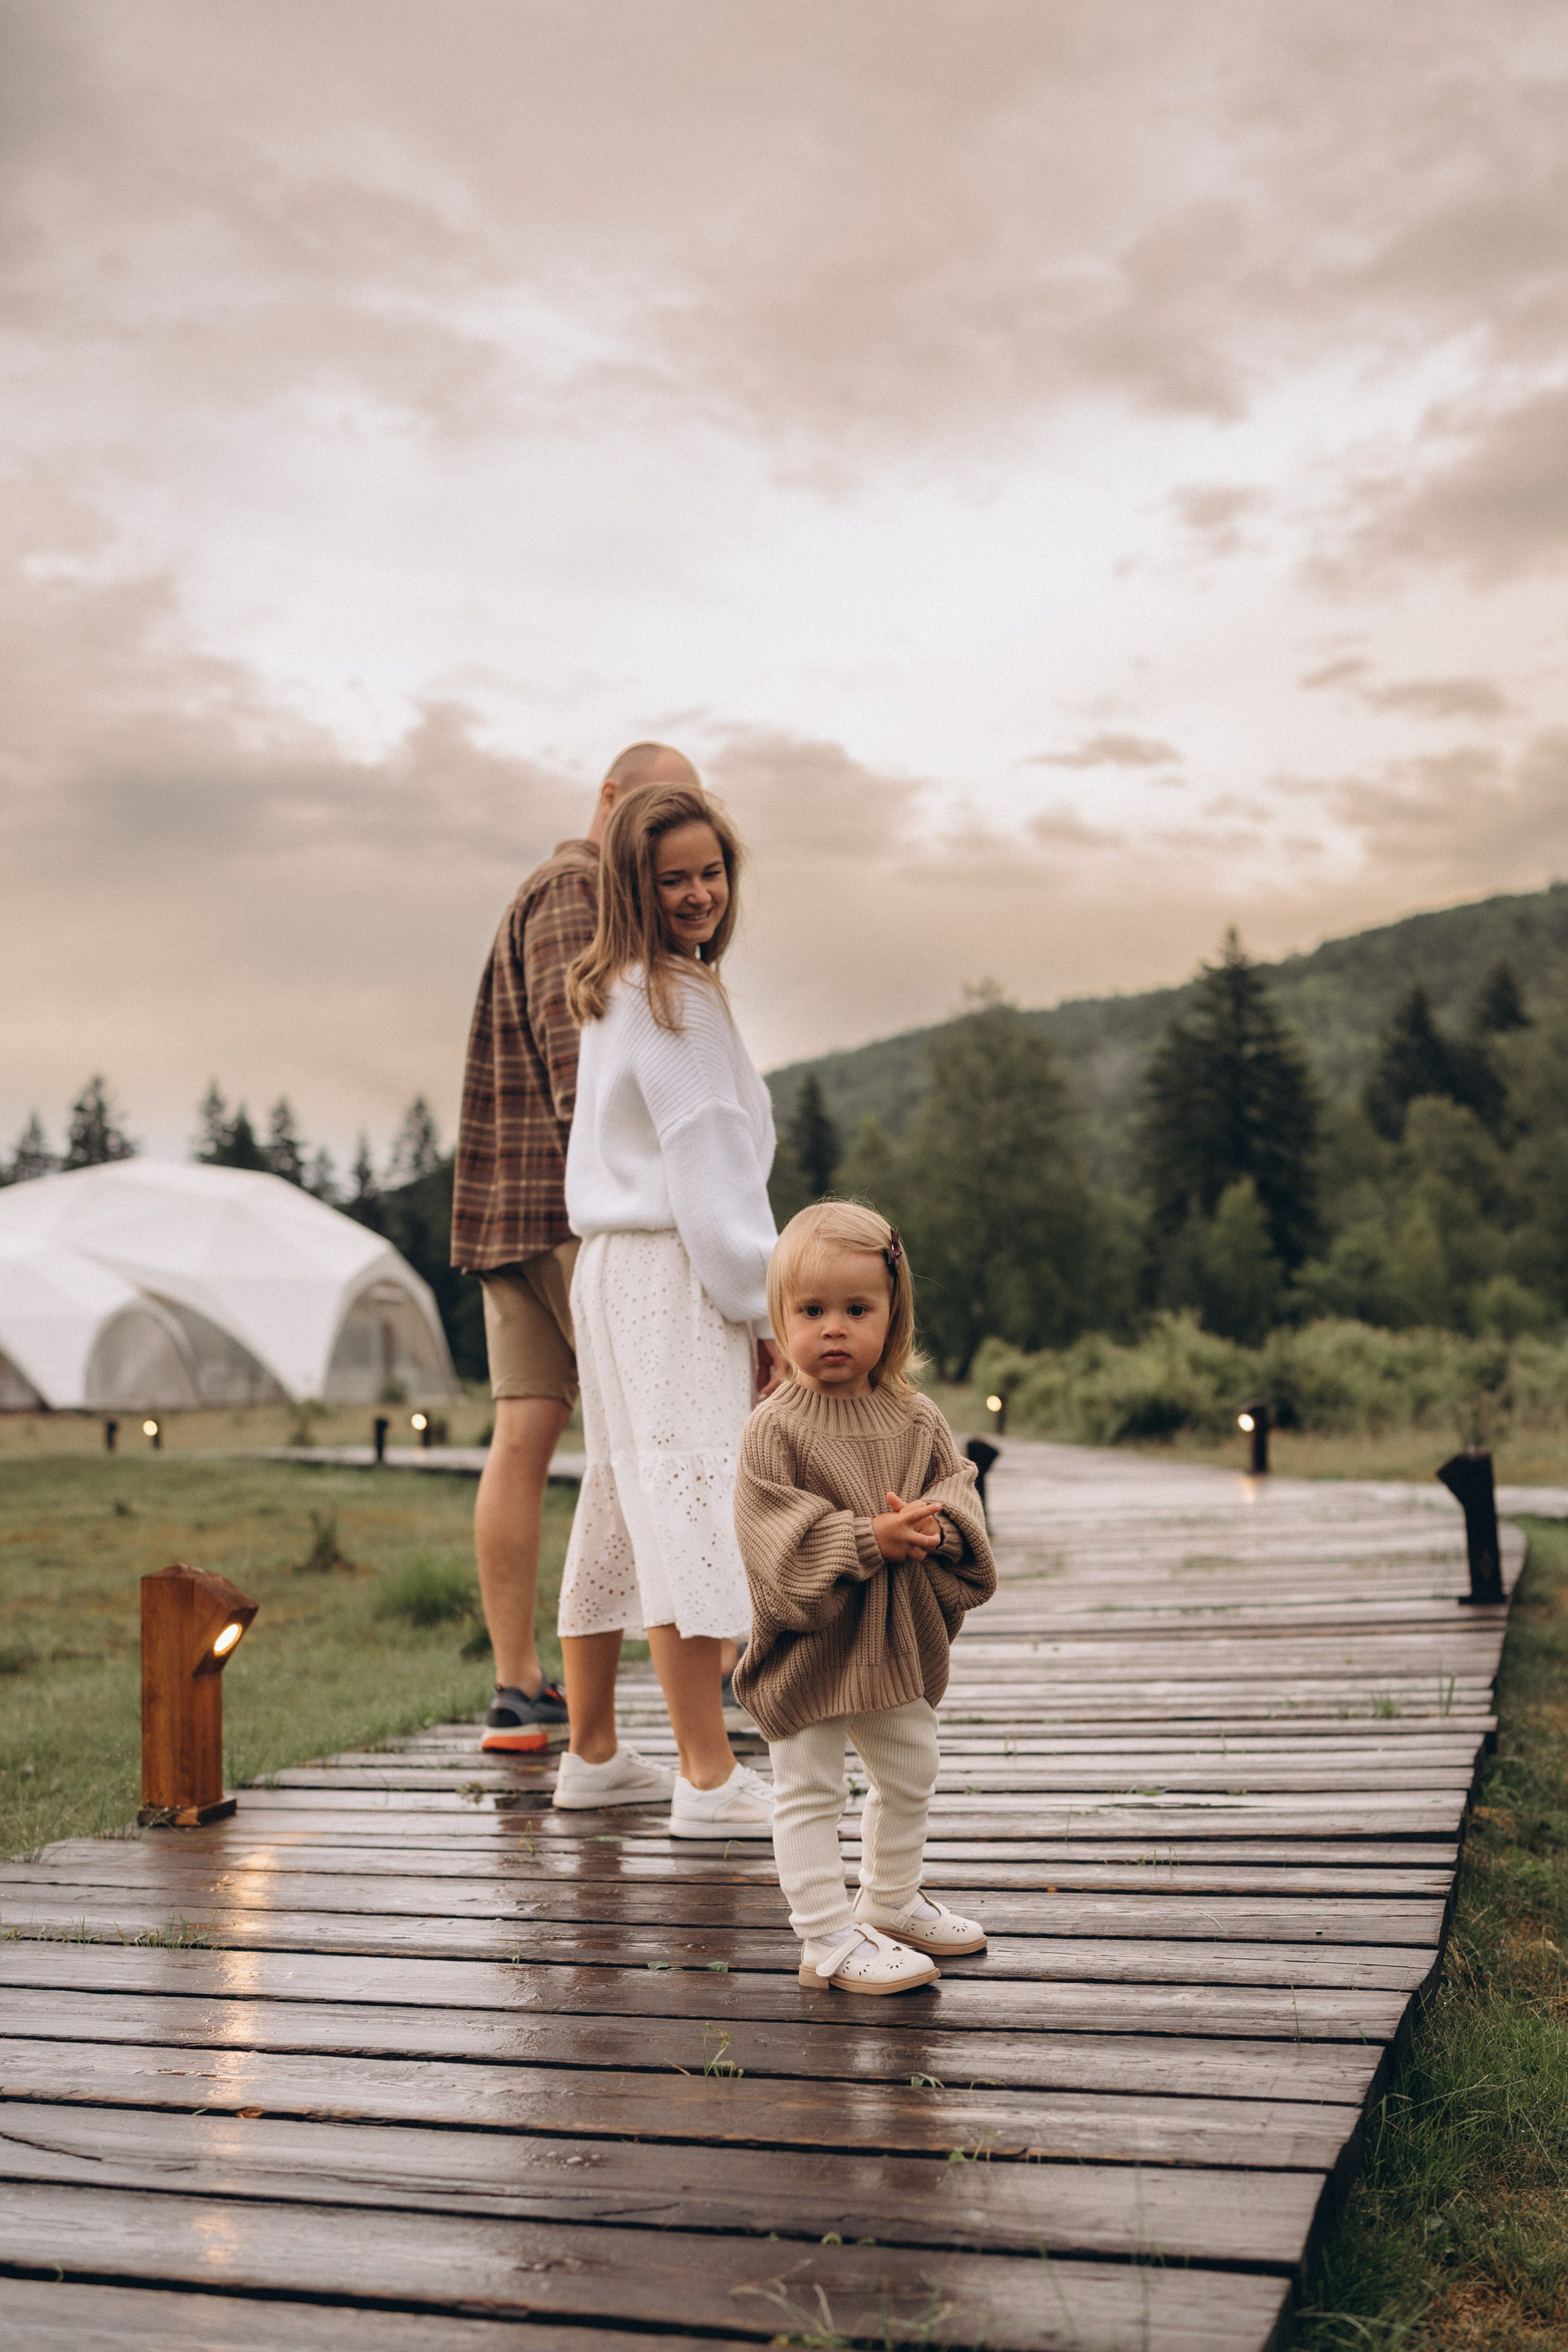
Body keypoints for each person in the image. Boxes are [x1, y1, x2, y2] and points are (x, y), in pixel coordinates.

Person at [451, 741, 700, 1754]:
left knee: (531, 1433)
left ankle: (524, 1690)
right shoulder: (577, 887)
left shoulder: (558, 889)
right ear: (610, 800)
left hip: (512, 1207)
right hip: (569, 1213)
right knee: (652, 1436)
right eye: (655, 808)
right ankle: (702, 1681)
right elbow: (581, 1061)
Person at [552, 777, 780, 1837]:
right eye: (673, 878)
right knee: (690, 1497)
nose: (699, 894)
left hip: (607, 1270)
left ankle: (593, 1753)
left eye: (711, 871)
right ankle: (706, 1773)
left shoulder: (611, 987)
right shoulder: (674, 999)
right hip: (675, 1269)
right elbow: (711, 1167)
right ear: (634, 887)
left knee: (624, 1493)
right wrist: (767, 1306)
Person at [732, 1201, 996, 1993]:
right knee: (810, 1789)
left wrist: (939, 1528)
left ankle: (890, 1900)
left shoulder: (915, 1418)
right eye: (812, 1311)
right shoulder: (772, 1431)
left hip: (893, 1642)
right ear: (781, 1319)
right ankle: (824, 1936)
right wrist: (862, 1541)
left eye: (857, 1309)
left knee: (910, 1768)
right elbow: (772, 1540)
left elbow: (959, 1490)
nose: (835, 1329)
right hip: (812, 1651)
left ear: (894, 1314)